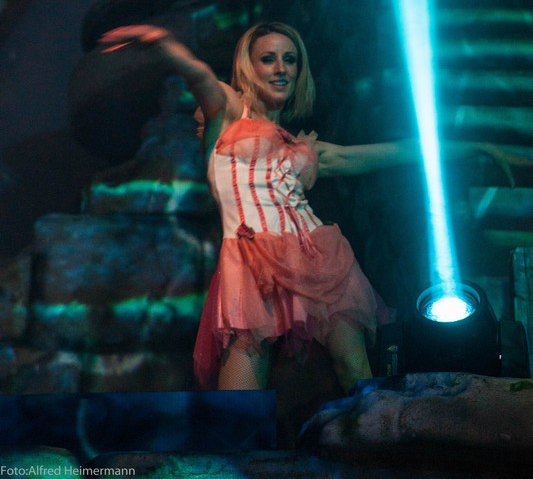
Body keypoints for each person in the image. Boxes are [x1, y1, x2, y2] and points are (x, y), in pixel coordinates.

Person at [99, 20, 526, 392]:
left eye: (290, 60)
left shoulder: (304, 149)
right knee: (239, 392)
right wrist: (160, 41)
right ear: (248, 67)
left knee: (353, 369)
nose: (281, 68)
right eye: (268, 59)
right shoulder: (227, 113)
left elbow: (391, 152)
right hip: (251, 261)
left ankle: (374, 443)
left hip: (316, 258)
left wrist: (473, 146)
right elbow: (198, 74)